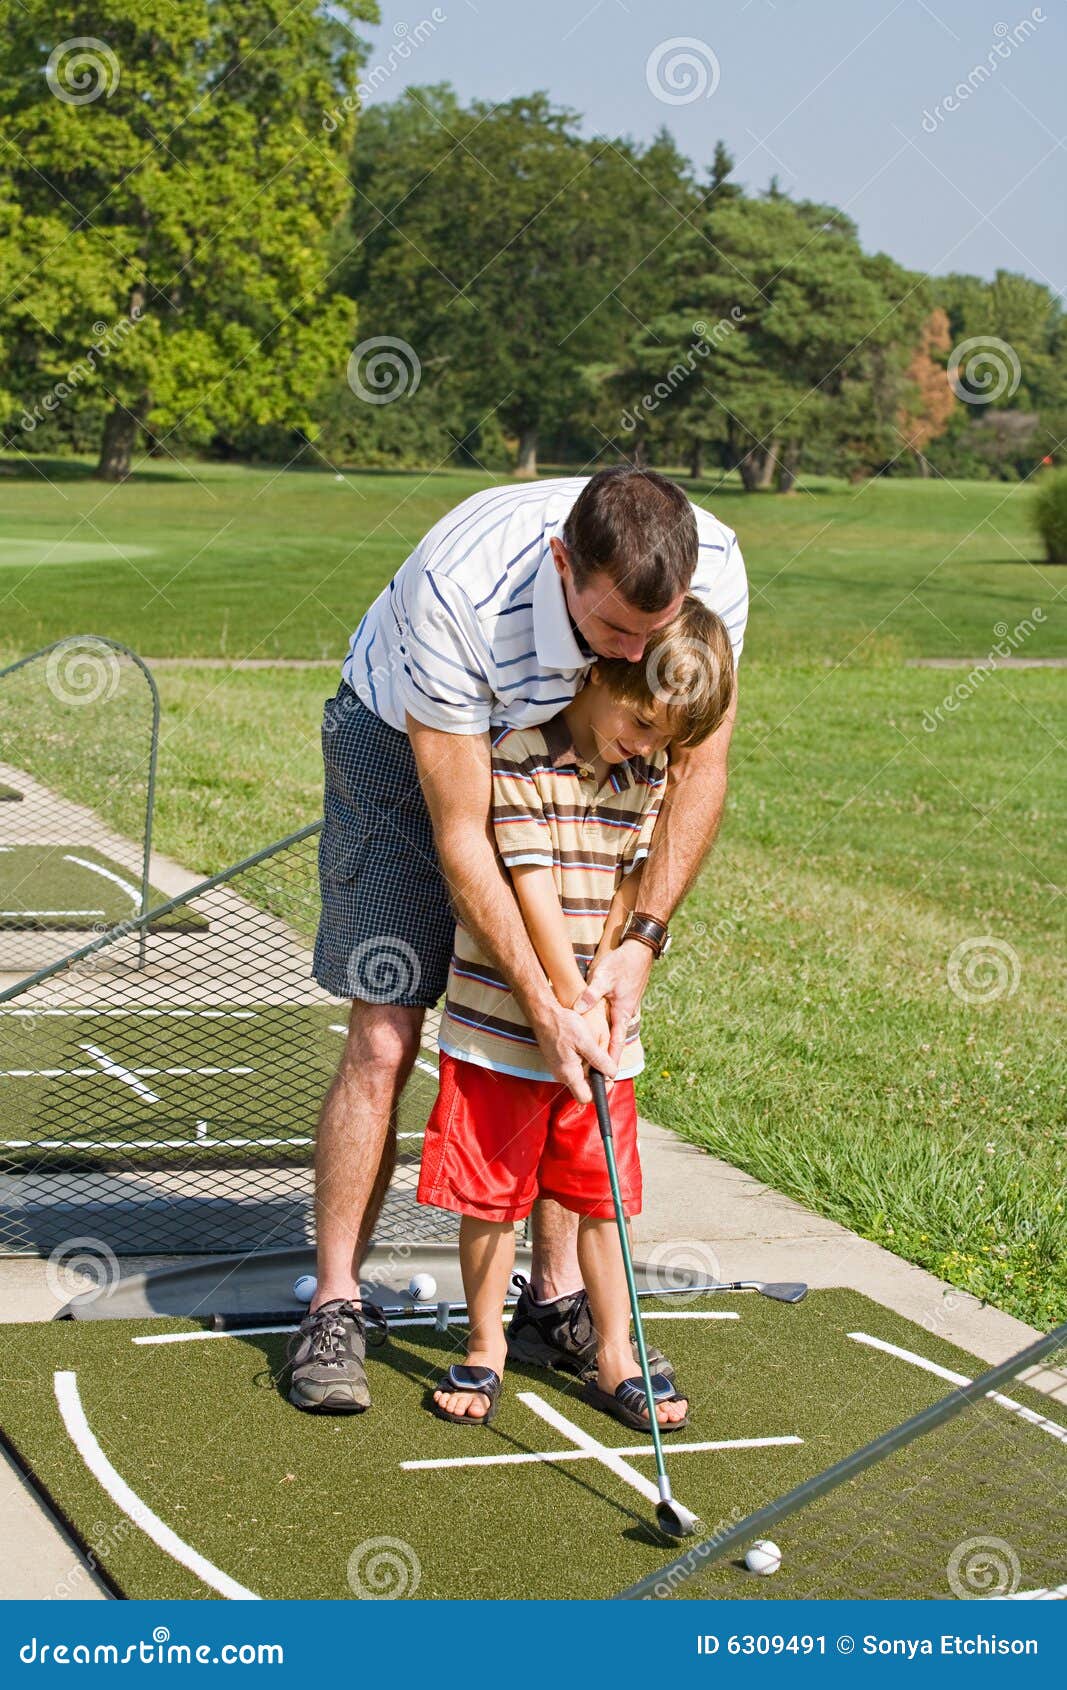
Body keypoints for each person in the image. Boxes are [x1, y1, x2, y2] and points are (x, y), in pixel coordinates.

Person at [289, 467, 747, 1414]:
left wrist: (638, 944)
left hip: (594, 744)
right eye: (614, 631)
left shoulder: (715, 570)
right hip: (405, 731)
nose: (634, 654)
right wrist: (542, 998)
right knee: (386, 1029)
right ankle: (335, 1301)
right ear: (561, 565)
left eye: (654, 634)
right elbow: (465, 834)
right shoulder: (458, 588)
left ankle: (553, 1296)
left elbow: (698, 765)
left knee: (565, 1070)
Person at [420, 602, 735, 1427]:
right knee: (491, 1196)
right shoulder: (519, 754)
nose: (647, 745)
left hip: (599, 1029)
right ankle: (485, 1345)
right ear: (601, 671)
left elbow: (632, 885)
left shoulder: (648, 775)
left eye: (665, 738)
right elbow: (529, 890)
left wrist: (603, 990)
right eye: (641, 722)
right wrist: (567, 997)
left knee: (602, 1196)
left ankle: (614, 1353)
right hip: (500, 1028)